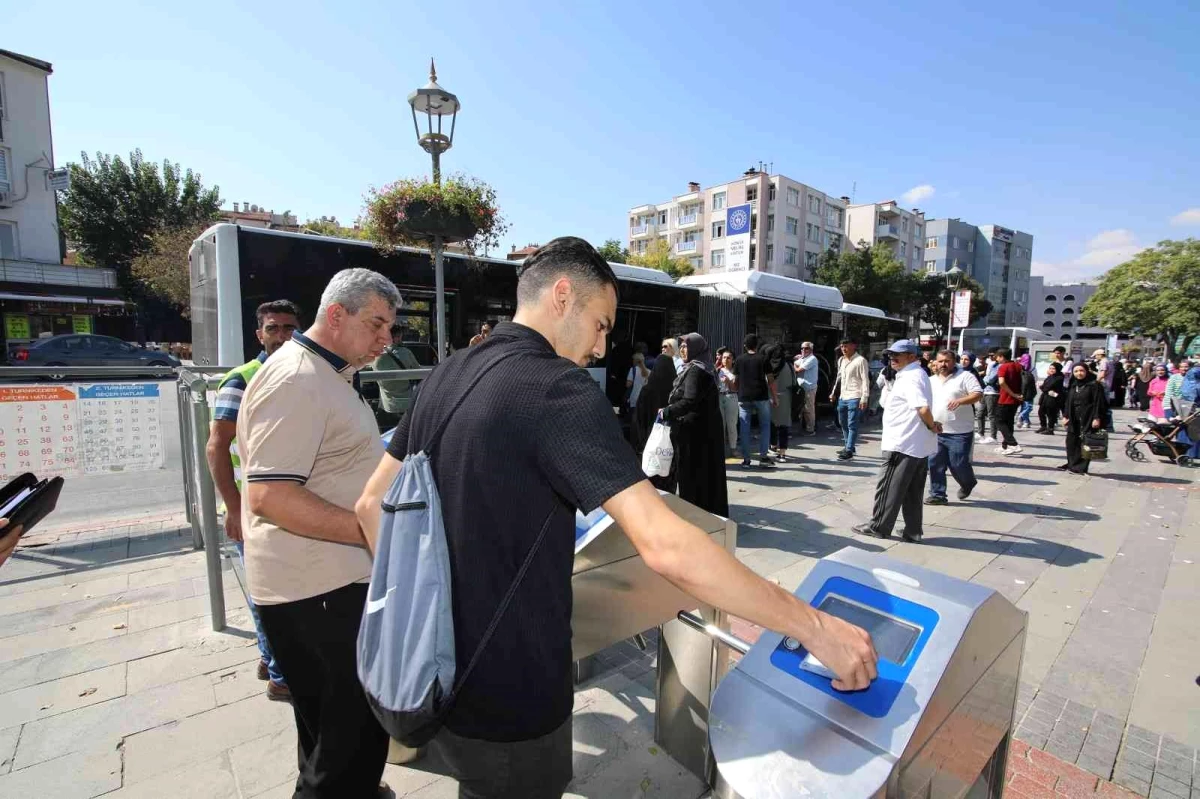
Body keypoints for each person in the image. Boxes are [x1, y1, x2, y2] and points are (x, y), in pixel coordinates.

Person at [354, 237, 877, 799]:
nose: (602, 347)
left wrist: (431, 607)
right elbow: (666, 546)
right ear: (562, 297)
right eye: (602, 324)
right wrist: (816, 628)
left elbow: (370, 505)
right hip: (512, 694)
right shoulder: (557, 390)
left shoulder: (447, 373)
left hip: (433, 676)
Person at [239, 269, 399, 797]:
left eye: (390, 327)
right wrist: (371, 531)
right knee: (349, 747)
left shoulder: (326, 374)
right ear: (336, 315)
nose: (387, 339)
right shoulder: (298, 378)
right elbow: (270, 496)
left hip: (322, 586)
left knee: (327, 739)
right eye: (376, 323)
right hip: (317, 593)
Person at [205, 299, 301, 702]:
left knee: (281, 589)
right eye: (274, 328)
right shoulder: (243, 379)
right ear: (259, 334)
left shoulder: (300, 373)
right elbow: (216, 446)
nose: (283, 336)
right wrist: (233, 507)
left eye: (290, 328)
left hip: (288, 502)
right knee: (269, 592)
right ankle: (282, 677)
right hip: (254, 507)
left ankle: (269, 656)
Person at [852, 340, 940, 542]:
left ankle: (878, 526)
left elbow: (923, 408)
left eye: (897, 355)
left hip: (902, 443)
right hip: (915, 445)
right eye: (890, 355)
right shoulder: (913, 375)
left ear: (911, 356)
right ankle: (913, 531)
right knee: (912, 491)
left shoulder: (911, 377)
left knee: (889, 486)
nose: (892, 358)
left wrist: (931, 425)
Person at [661, 333, 729, 516]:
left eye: (686, 346)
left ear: (696, 349)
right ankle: (708, 513)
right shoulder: (704, 367)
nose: (683, 350)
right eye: (681, 346)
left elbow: (689, 400)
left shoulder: (695, 370)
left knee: (693, 476)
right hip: (706, 432)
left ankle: (695, 515)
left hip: (694, 435)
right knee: (706, 475)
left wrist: (666, 411)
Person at [924, 350, 982, 506]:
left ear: (953, 361)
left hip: (960, 431)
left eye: (947, 361)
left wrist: (961, 401)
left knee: (958, 463)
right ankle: (937, 494)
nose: (943, 364)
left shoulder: (965, 377)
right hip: (936, 429)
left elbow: (977, 394)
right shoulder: (930, 380)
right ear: (935, 362)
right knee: (935, 463)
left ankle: (968, 482)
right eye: (940, 361)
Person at [635, 350, 678, 492]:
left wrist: (640, 443)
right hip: (669, 445)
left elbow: (638, 419)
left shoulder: (647, 390)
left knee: (651, 480)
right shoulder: (676, 392)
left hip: (649, 443)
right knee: (668, 476)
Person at [734, 334, 777, 468]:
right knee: (764, 426)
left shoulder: (739, 360)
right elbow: (770, 380)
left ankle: (747, 460)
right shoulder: (763, 359)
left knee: (745, 428)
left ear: (745, 346)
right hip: (761, 396)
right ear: (757, 345)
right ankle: (763, 457)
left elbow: (736, 380)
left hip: (744, 397)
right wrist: (775, 397)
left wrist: (738, 391)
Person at [371, 324, 424, 428]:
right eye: (400, 336)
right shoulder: (406, 353)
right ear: (396, 337)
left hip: (387, 406)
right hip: (407, 406)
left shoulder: (376, 355)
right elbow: (417, 371)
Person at [1062, 362, 1107, 475]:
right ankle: (1072, 464)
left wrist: (1096, 418)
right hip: (1074, 417)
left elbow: (1099, 403)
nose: (1079, 373)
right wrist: (1066, 415)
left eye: (1081, 371)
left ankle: (1081, 467)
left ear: (1086, 371)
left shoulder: (1094, 385)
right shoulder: (1074, 385)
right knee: (1071, 441)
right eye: (1076, 371)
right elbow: (1068, 402)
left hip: (1088, 417)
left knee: (1085, 442)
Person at [830, 339, 870, 461]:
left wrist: (864, 398)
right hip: (843, 396)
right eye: (842, 346)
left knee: (852, 423)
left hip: (855, 396)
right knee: (842, 422)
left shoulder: (860, 360)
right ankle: (849, 446)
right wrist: (833, 392)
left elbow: (865, 380)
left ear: (854, 346)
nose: (843, 348)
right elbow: (839, 377)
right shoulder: (841, 360)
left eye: (846, 346)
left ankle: (849, 450)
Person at [764, 344, 795, 462]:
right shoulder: (789, 366)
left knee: (770, 423)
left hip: (769, 396)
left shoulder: (766, 366)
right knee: (783, 426)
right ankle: (782, 453)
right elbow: (793, 382)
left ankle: (772, 446)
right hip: (785, 398)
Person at [993, 348, 1024, 455]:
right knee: (1009, 422)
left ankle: (1013, 444)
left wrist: (1012, 394)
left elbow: (1001, 382)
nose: (996, 359)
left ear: (1002, 356)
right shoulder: (1018, 365)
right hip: (1016, 399)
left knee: (999, 421)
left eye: (997, 356)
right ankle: (1005, 446)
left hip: (1006, 398)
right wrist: (1016, 395)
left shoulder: (1003, 367)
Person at [793, 341, 819, 436]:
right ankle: (804, 427)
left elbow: (798, 369)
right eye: (802, 348)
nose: (803, 350)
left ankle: (810, 429)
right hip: (802, 387)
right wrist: (796, 364)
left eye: (806, 348)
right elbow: (795, 362)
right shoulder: (804, 358)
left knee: (809, 409)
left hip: (809, 387)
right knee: (803, 409)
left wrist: (796, 366)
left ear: (811, 349)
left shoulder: (812, 359)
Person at [717, 351, 739, 457]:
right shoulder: (717, 371)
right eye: (724, 357)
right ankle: (720, 449)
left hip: (731, 396)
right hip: (720, 397)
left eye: (728, 357)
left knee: (731, 424)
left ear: (733, 359)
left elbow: (736, 388)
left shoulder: (736, 372)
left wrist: (728, 382)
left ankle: (733, 448)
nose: (726, 359)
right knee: (720, 424)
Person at [977, 349, 1001, 444]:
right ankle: (980, 433)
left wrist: (985, 379)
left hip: (993, 392)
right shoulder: (992, 364)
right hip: (985, 391)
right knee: (980, 414)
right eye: (989, 355)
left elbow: (990, 379)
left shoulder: (1000, 366)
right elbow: (987, 377)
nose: (991, 357)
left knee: (991, 415)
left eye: (993, 355)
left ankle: (993, 436)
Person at [1036, 362, 1066, 434]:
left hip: (1053, 399)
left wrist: (1042, 387)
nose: (1051, 370)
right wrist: (1043, 387)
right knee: (1041, 412)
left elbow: (1047, 387)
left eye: (1053, 368)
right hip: (1045, 397)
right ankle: (1043, 426)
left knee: (1051, 414)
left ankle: (1050, 429)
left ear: (1058, 369)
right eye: (1050, 368)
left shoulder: (1059, 378)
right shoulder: (1050, 376)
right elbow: (1045, 387)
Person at [1018, 355, 1037, 430]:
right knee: (1027, 406)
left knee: (1025, 406)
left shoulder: (1020, 367)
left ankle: (1025, 421)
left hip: (1025, 390)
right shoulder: (1032, 369)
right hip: (1028, 390)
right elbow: (1035, 378)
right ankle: (1024, 420)